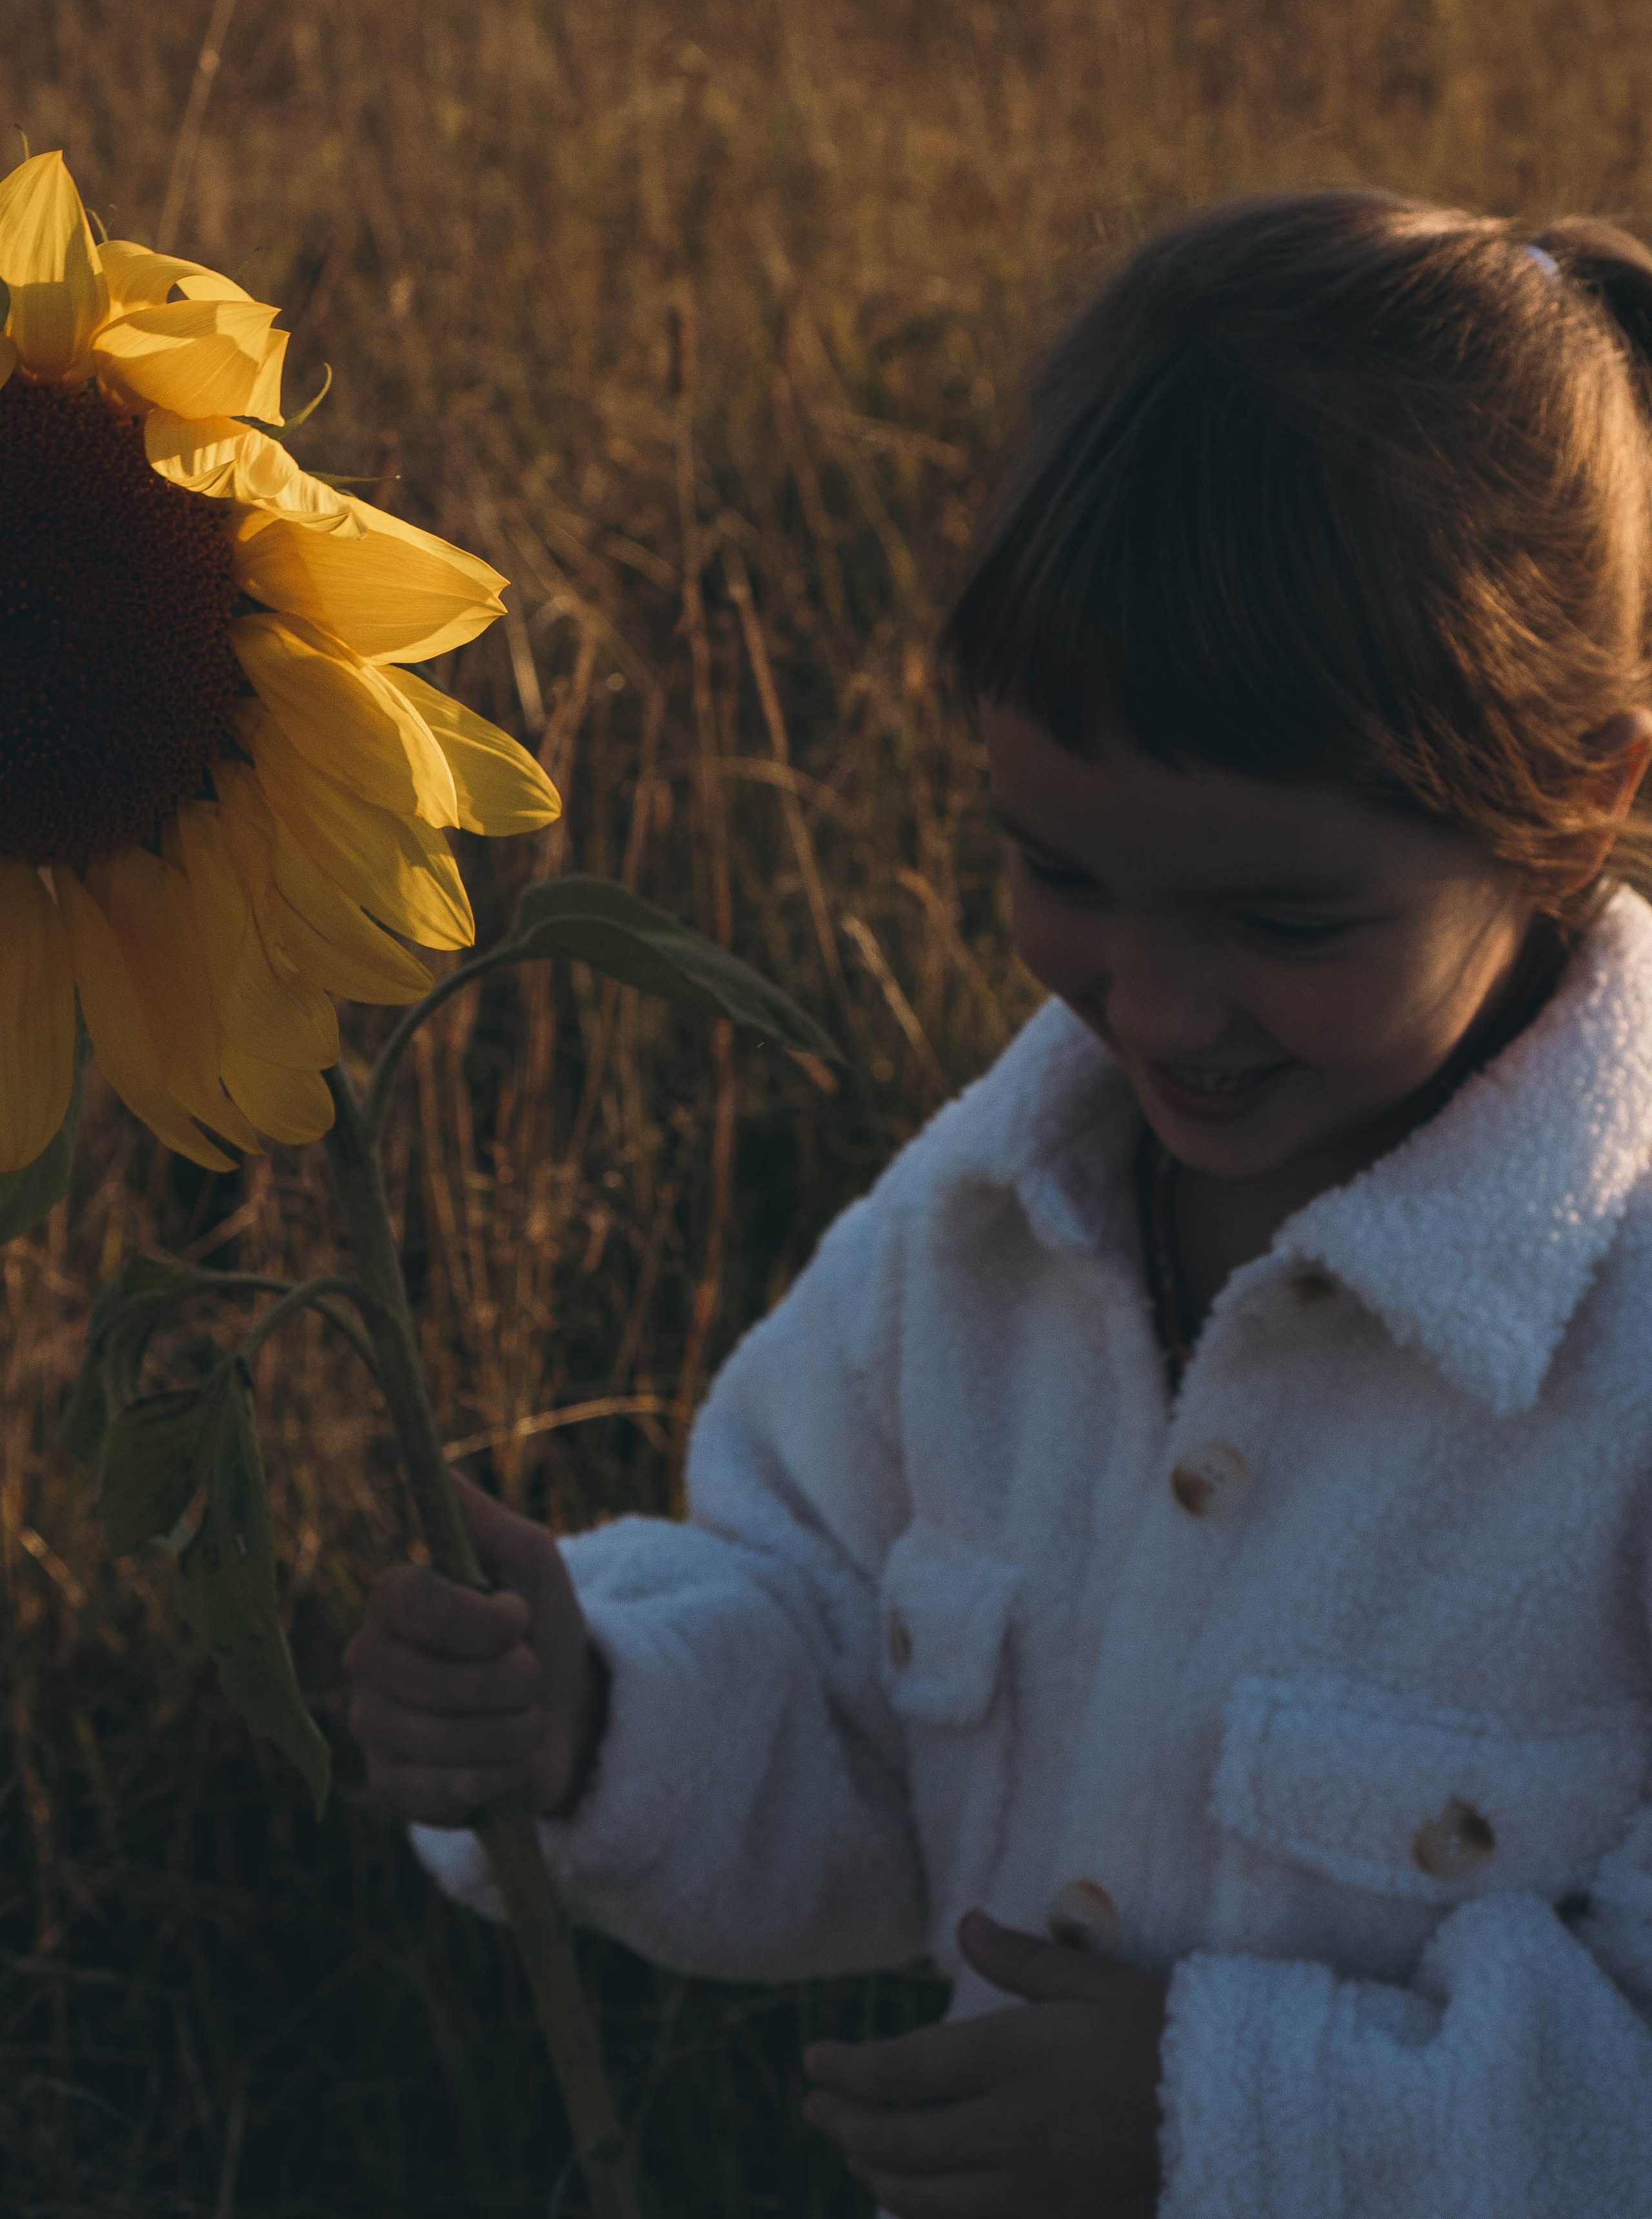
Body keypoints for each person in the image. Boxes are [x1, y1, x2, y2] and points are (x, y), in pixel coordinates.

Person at [343, 187, 1652, 2216]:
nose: (1156, 1000)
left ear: (1580, 791)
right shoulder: (978, 1236)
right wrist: (597, 1708)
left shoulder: (1622, 1349)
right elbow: (833, 1687)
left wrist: (1232, 2122)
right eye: (1062, 872)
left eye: (1283, 917)